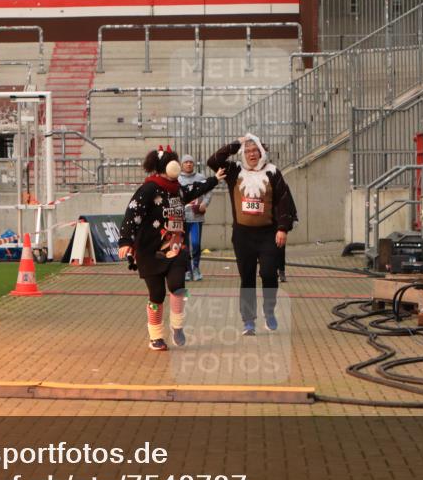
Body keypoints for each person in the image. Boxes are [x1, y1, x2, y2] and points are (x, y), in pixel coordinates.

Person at [117, 147, 223, 351]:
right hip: (150, 251)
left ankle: (178, 326)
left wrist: (214, 180)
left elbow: (194, 190)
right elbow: (132, 214)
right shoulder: (148, 189)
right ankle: (156, 336)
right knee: (156, 295)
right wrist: (125, 241)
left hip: (176, 247)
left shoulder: (178, 188)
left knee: (178, 287)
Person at [207, 134, 296, 336]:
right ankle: (248, 321)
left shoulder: (273, 172)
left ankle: (269, 311)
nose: (251, 154)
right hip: (243, 235)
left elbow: (284, 201)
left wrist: (282, 228)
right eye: (247, 151)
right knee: (247, 278)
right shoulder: (234, 171)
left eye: (255, 150)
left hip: (269, 235)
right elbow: (213, 161)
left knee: (268, 274)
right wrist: (236, 143)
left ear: (261, 152)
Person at [178, 154, 212, 282]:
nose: (188, 164)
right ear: (182, 164)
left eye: (190, 162)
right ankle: (187, 270)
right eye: (186, 162)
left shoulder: (201, 177)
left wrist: (205, 203)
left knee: (196, 244)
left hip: (196, 217)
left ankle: (196, 268)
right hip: (182, 218)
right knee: (184, 246)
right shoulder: (178, 179)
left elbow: (209, 190)